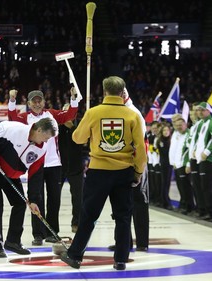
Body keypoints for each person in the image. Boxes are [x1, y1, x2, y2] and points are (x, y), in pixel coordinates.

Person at [60, 76, 147, 270]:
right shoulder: (132, 115)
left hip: (98, 172)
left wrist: (90, 125)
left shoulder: (94, 112)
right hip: (124, 172)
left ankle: (75, 256)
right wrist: (138, 171)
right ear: (122, 91)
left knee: (88, 216)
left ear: (104, 91)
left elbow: (77, 138)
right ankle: (121, 259)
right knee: (123, 217)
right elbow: (140, 149)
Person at [8, 87, 78, 246]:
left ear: (44, 102)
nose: (37, 104)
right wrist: (12, 101)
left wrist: (73, 98)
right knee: (36, 198)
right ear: (28, 103)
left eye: (40, 101)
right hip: (35, 164)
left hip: (54, 164)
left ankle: (53, 232)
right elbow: (12, 119)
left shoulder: (52, 114)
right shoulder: (25, 117)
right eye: (34, 101)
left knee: (55, 199)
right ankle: (38, 234)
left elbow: (70, 115)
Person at [0, 117, 57, 258]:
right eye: (45, 138)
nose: (46, 142)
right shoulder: (14, 129)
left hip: (10, 176)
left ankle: (13, 241)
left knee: (21, 203)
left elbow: (36, 175)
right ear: (39, 130)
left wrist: (33, 200)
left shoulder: (42, 149)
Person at [108, 88, 149, 252]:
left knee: (139, 202)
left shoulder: (133, 113)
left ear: (124, 95)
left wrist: (137, 167)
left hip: (135, 163)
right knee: (121, 203)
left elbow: (139, 143)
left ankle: (141, 242)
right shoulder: (117, 111)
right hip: (121, 164)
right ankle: (124, 242)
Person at [58, 103, 84, 233]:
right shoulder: (57, 127)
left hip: (76, 167)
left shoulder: (80, 125)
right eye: (64, 112)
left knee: (78, 197)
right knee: (54, 197)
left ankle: (77, 223)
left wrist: (73, 128)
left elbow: (83, 141)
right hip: (59, 167)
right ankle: (52, 226)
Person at [194, 102, 212, 222]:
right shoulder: (201, 123)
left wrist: (206, 152)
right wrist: (195, 151)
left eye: (202, 110)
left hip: (209, 159)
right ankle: (207, 211)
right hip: (202, 160)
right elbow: (199, 140)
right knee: (204, 186)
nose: (200, 112)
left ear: (208, 111)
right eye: (198, 110)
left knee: (207, 187)